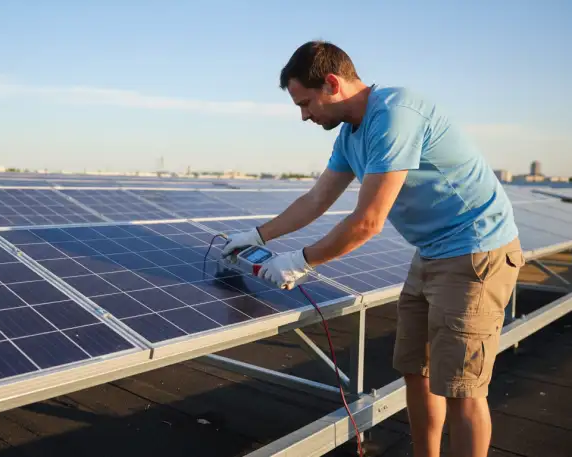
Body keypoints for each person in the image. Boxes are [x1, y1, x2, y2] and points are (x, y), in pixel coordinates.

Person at [220, 40, 525, 457]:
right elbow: (316, 200)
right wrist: (259, 236)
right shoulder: (349, 135)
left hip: (476, 252)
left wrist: (301, 261)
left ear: (332, 83)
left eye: (306, 103)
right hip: (431, 253)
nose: (305, 115)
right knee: (415, 373)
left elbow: (368, 221)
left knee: (461, 388)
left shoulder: (395, 115)